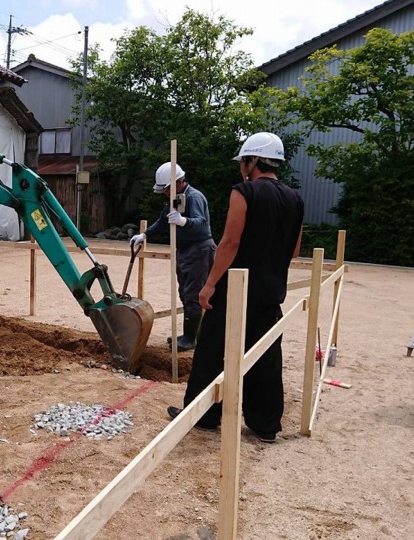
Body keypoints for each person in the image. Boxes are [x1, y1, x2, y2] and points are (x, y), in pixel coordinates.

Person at [166, 132, 304, 443]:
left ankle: (204, 416)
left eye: (243, 161)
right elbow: (294, 250)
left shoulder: (244, 192)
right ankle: (265, 424)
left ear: (251, 161)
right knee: (265, 357)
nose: (241, 167)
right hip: (271, 292)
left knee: (213, 351)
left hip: (235, 288)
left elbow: (229, 243)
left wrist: (210, 283)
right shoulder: (295, 198)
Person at [130, 162, 216, 350]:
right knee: (185, 293)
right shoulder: (175, 199)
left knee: (194, 295)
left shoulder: (194, 197)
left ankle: (190, 339)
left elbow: (202, 224)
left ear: (178, 182)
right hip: (184, 251)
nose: (165, 193)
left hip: (199, 250)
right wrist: (145, 235)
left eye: (167, 189)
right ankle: (191, 334)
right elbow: (162, 222)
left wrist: (184, 221)